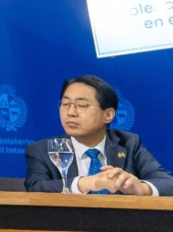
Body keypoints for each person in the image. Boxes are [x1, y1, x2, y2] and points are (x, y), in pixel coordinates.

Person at [25, 75, 173, 196]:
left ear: (108, 115)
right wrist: (85, 183)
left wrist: (141, 189)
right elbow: (35, 187)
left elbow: (167, 182)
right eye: (65, 104)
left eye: (81, 106)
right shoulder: (43, 150)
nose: (70, 112)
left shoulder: (128, 143)